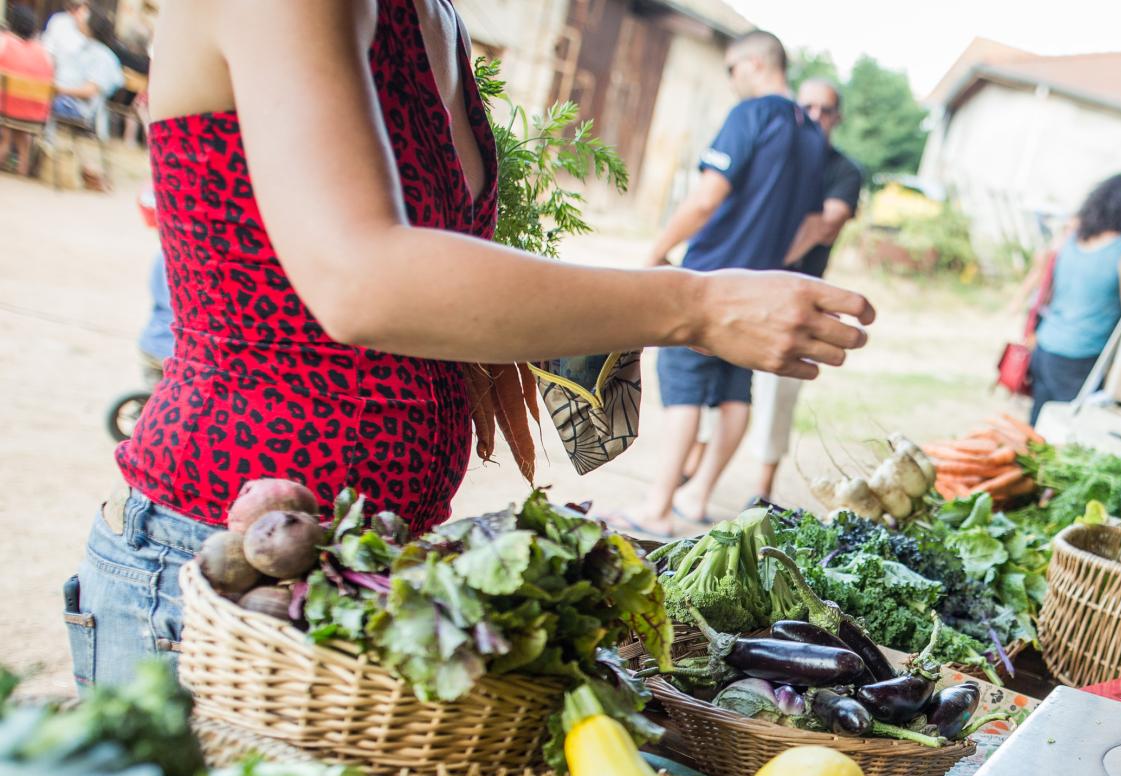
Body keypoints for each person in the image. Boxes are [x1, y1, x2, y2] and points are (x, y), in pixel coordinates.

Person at [66, 0, 872, 691]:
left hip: (372, 572)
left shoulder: (437, 17)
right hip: (219, 570)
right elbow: (360, 280)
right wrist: (693, 305)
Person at [633, 29, 826, 533]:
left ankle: (656, 509)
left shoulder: (752, 115)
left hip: (708, 278)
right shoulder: (811, 134)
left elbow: (704, 198)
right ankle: (695, 500)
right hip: (760, 289)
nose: (732, 80)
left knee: (684, 393)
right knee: (735, 393)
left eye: (732, 70)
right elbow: (811, 223)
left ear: (756, 64)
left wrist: (654, 253)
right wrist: (769, 261)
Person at [733, 75, 865, 504]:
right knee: (723, 384)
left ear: (837, 117)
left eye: (825, 110)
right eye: (808, 107)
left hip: (800, 295)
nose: (816, 116)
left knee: (778, 392)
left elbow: (826, 224)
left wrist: (767, 250)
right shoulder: (780, 155)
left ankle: (761, 489)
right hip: (746, 287)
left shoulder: (843, 170)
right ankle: (694, 471)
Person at [1027, 173, 1121, 424]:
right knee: (1069, 432)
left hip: (1047, 344)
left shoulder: (1073, 238)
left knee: (1038, 427)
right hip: (1081, 355)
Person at [49, 9, 121, 142]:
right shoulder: (87, 48)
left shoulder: (101, 55)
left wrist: (59, 90)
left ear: (91, 26)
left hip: (78, 107)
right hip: (67, 99)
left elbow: (90, 90)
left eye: (84, 17)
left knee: (38, 103)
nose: (79, 19)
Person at [0, 5, 54, 174]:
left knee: (9, 113)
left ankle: (5, 147)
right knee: (18, 123)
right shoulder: (44, 52)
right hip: (35, 114)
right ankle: (22, 165)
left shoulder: (4, 42)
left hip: (6, 108)